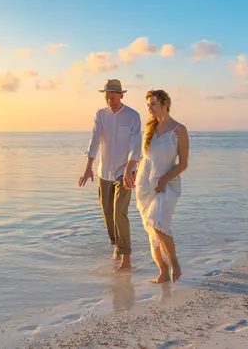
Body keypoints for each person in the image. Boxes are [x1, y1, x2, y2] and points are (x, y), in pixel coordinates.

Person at [78, 79, 142, 272]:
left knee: (119, 213)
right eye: (107, 97)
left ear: (121, 95)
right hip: (104, 172)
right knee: (107, 214)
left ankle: (126, 258)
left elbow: (136, 143)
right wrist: (88, 166)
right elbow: (94, 140)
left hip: (125, 171)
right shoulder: (100, 115)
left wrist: (132, 165)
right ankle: (116, 244)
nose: (110, 101)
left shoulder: (132, 116)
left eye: (113, 97)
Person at [135, 89, 189, 283]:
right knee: (151, 228)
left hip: (168, 184)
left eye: (153, 104)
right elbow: (144, 158)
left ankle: (174, 264)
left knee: (158, 224)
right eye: (148, 105)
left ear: (165, 103)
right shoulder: (150, 128)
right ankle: (162, 271)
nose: (149, 108)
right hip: (145, 184)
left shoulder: (179, 130)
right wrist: (130, 173)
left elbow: (183, 164)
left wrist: (164, 180)